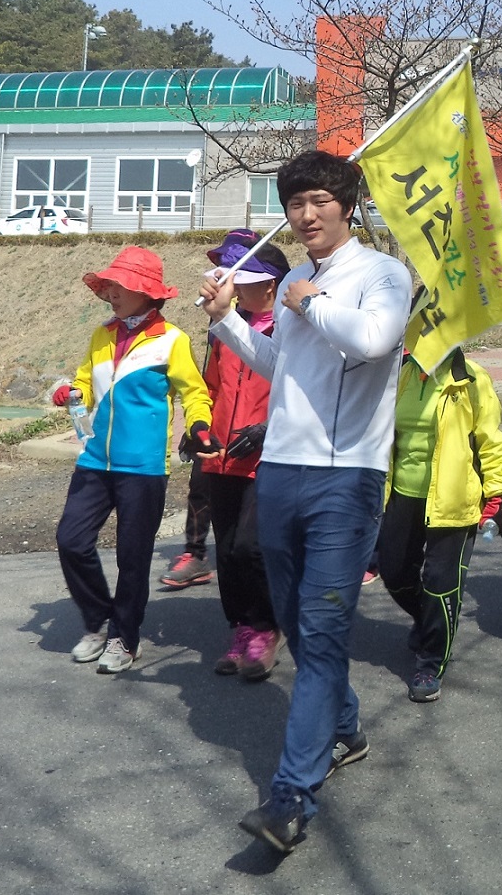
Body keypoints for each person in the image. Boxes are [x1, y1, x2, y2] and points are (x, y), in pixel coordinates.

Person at [198, 150, 411, 855]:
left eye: (320, 199)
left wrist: (312, 303)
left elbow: (376, 341)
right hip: (281, 472)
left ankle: (291, 795)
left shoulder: (382, 273)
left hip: (346, 478)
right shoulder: (292, 276)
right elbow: (278, 365)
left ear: (347, 204)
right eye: (296, 202)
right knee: (294, 617)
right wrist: (229, 321)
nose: (307, 212)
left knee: (319, 632)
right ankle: (344, 728)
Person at [52, 247, 217, 676]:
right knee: (71, 539)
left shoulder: (172, 340)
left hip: (142, 467)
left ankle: (125, 639)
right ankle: (98, 619)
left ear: (147, 292)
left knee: (133, 557)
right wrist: (72, 393)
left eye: (121, 286)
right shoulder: (101, 334)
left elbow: (195, 393)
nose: (112, 293)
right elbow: (86, 384)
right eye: (109, 285)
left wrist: (199, 425)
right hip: (94, 461)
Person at [380, 344, 502, 703]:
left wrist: (497, 492)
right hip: (403, 494)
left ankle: (431, 660)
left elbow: (491, 440)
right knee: (392, 570)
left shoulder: (472, 379)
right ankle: (429, 621)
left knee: (440, 582)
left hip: (454, 498)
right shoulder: (403, 374)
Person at [197, 230, 291, 681]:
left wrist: (268, 428)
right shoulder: (223, 330)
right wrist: (196, 429)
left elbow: (304, 392)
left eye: (243, 280)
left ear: (269, 285)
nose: (232, 287)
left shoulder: (290, 327)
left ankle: (268, 627)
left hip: (268, 456)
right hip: (221, 454)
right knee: (228, 550)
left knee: (253, 547)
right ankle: (241, 627)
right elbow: (210, 386)